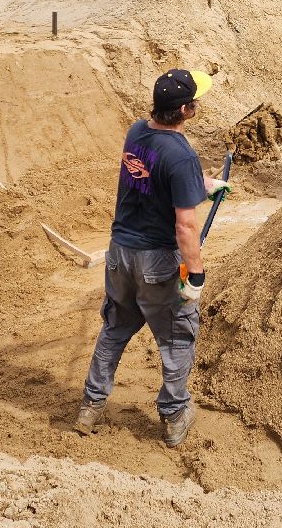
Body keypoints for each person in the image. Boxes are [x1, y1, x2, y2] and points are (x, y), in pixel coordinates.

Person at [75, 69, 230, 446]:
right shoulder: (181, 156)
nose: (197, 104)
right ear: (184, 110)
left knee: (115, 327)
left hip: (120, 256)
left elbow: (150, 178)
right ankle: (175, 414)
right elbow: (185, 228)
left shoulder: (136, 132)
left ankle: (91, 405)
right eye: (194, 101)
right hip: (157, 261)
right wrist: (196, 275)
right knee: (178, 335)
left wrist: (202, 185)